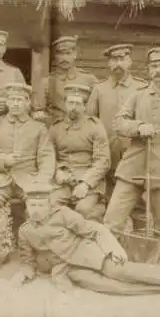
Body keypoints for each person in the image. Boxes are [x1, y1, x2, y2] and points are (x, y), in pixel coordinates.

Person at [11, 185, 160, 294]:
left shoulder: (63, 214)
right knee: (110, 287)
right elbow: (27, 260)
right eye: (32, 205)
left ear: (48, 205)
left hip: (88, 253)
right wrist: (24, 274)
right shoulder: (25, 230)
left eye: (40, 205)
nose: (36, 209)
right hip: (66, 268)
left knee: (120, 273)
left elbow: (95, 229)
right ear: (27, 205)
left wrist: (112, 249)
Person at [103, 46, 160, 261]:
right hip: (133, 168)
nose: (157, 70)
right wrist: (138, 127)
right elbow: (118, 122)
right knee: (112, 217)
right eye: (153, 66)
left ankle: (159, 260)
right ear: (147, 69)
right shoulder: (138, 96)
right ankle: (110, 256)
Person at [0, 82, 55, 269]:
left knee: (40, 203)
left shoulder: (38, 128)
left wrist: (41, 181)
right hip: (1, 178)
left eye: (19, 100)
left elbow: (46, 157)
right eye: (11, 99)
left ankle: (37, 251)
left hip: (29, 178)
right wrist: (3, 160)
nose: (15, 104)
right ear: (6, 102)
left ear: (27, 102)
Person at [86, 44, 148, 229]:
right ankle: (113, 237)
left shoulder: (141, 88)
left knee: (136, 192)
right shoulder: (99, 90)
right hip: (108, 152)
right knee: (111, 194)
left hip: (134, 151)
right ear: (108, 63)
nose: (118, 63)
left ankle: (140, 236)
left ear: (129, 61)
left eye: (122, 59)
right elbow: (90, 121)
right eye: (114, 59)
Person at [48, 83, 110, 222]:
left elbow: (102, 161)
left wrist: (85, 184)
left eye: (77, 103)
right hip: (63, 180)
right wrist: (57, 171)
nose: (73, 107)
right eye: (70, 103)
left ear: (84, 106)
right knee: (51, 206)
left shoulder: (95, 127)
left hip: (89, 181)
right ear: (65, 104)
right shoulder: (56, 127)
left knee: (84, 209)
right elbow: (48, 155)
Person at [36, 35, 99, 126]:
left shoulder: (89, 80)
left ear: (75, 54)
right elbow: (39, 111)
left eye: (68, 53)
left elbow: (97, 108)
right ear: (55, 56)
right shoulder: (46, 82)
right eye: (60, 54)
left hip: (82, 130)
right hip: (55, 129)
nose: (64, 58)